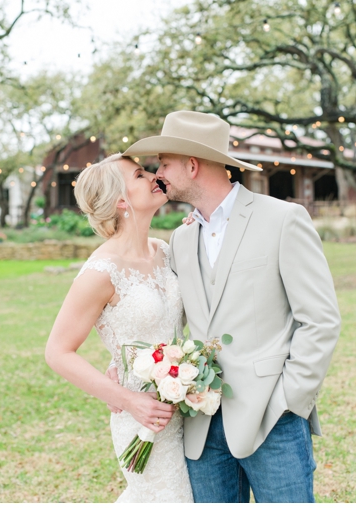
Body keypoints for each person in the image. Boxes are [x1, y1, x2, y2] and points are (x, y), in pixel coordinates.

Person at [119, 110, 341, 502]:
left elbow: (320, 321)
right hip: (201, 426)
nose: (158, 174)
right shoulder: (182, 238)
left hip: (274, 420)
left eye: (164, 164)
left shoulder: (283, 219)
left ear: (191, 165)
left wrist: (288, 402)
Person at [45, 153, 193, 502]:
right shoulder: (100, 272)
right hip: (143, 419)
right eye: (140, 175)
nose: (154, 176)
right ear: (122, 201)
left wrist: (197, 229)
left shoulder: (166, 250)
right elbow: (57, 352)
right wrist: (127, 399)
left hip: (187, 404)